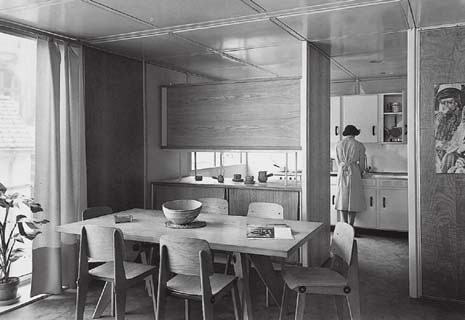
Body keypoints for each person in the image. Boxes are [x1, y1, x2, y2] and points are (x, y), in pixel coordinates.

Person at [334, 125, 367, 229]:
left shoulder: (338, 145)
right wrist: (361, 172)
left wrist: (342, 168)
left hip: (342, 171)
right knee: (354, 198)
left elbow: (338, 161)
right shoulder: (359, 145)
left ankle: (344, 225)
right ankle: (351, 225)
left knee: (342, 198)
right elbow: (362, 163)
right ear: (355, 133)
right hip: (354, 172)